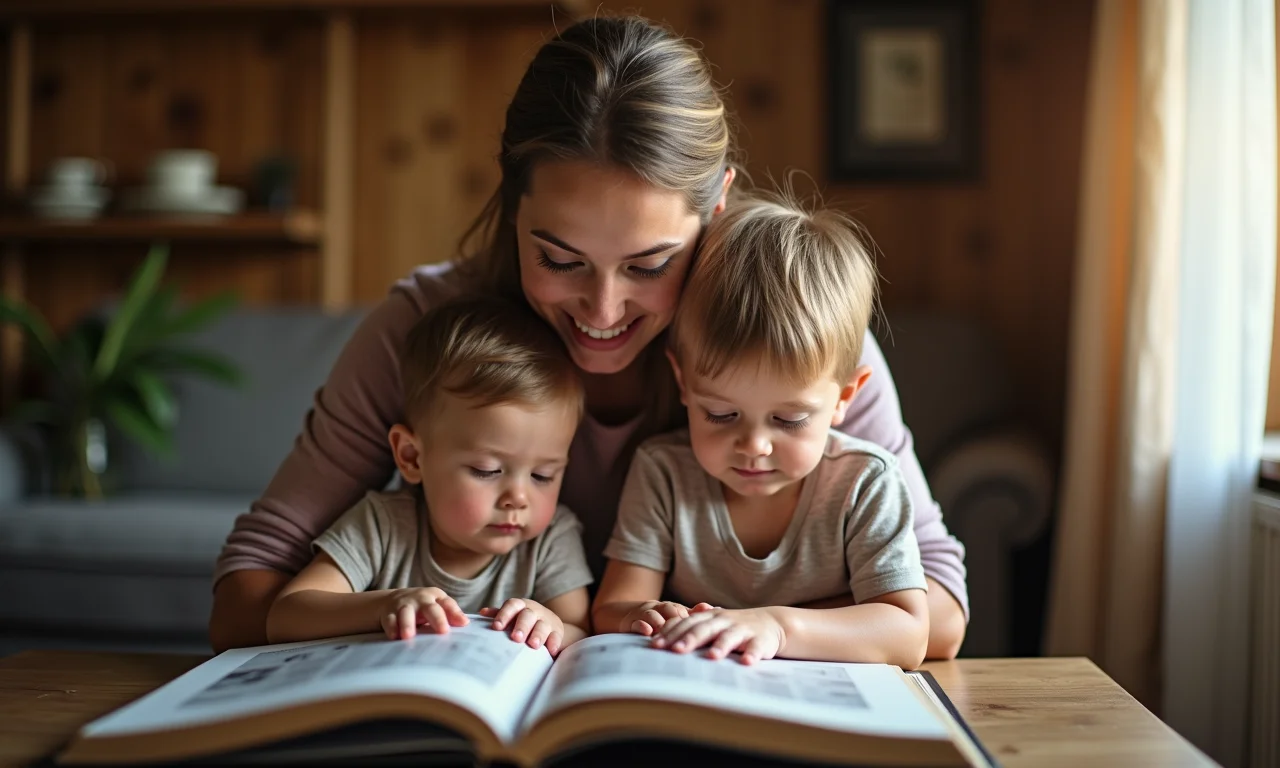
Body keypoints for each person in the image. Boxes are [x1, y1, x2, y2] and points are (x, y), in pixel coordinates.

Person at [210, 14, 968, 657]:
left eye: (650, 265)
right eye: (560, 260)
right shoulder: (424, 327)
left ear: (717, 206)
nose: (602, 311)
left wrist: (765, 626)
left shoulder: (792, 339)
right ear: (513, 206)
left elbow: (938, 609)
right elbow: (245, 597)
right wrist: (433, 625)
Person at [592, 195, 928, 669]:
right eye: (720, 414)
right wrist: (640, 615)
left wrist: (777, 626)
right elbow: (612, 607)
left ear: (845, 397)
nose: (754, 446)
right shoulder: (664, 473)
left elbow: (909, 633)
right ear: (683, 382)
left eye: (789, 420)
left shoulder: (865, 483)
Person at [266, 296, 593, 657]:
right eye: (487, 470)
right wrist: (384, 605)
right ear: (411, 456)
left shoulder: (550, 539)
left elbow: (580, 630)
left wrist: (551, 624)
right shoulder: (384, 525)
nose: (518, 497)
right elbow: (285, 616)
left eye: (543, 475)